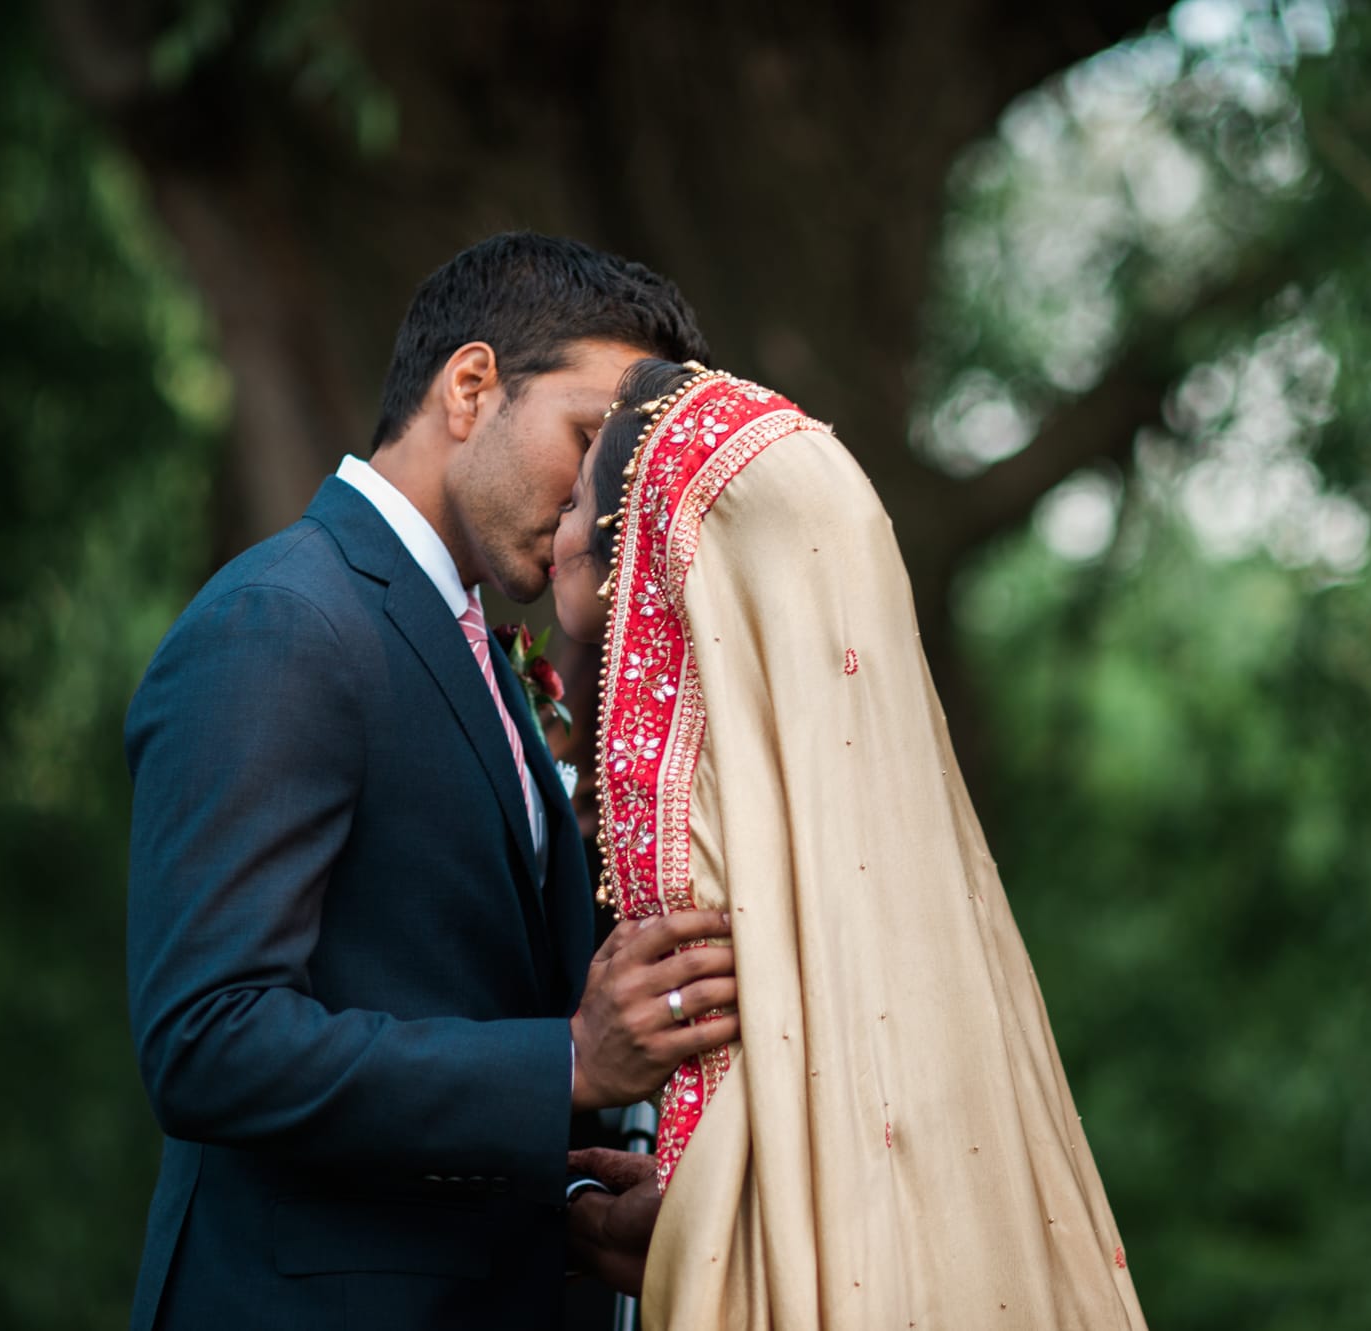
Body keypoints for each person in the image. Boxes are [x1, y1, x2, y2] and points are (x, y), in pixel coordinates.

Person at [123, 235, 741, 1330]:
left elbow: (427, 996)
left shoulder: (476, 656)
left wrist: (564, 1204)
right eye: (591, 437)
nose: (607, 502)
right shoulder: (282, 622)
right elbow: (209, 1039)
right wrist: (565, 1058)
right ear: (470, 387)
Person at [549, 359, 1150, 1329]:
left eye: (579, 500)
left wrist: (708, 1206)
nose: (556, 532)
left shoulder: (734, 848)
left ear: (649, 552)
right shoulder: (865, 878)